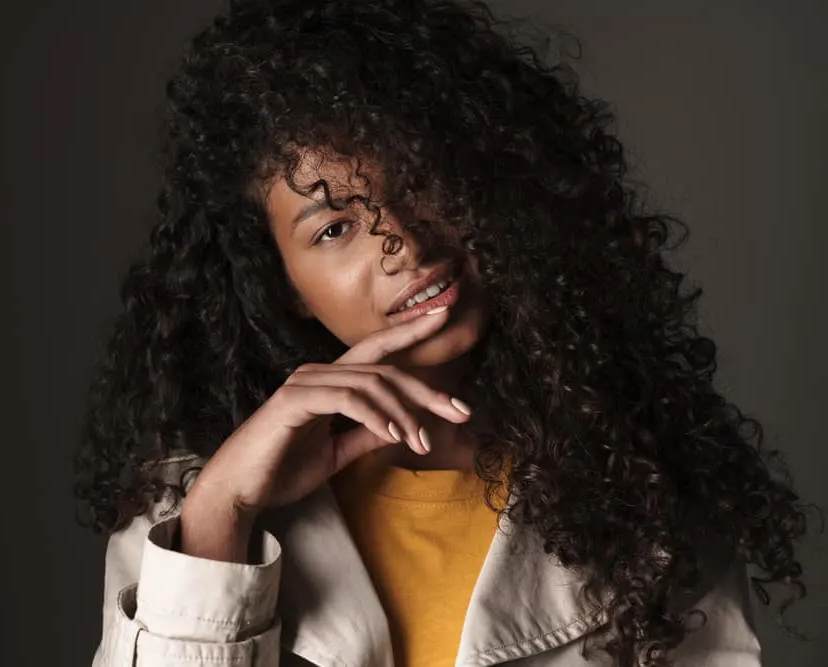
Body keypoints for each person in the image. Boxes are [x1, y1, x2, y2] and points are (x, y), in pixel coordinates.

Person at [73, 1, 810, 665]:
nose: (405, 245)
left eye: (419, 185)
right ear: (282, 286)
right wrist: (219, 514)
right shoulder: (187, 518)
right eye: (335, 228)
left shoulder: (643, 488)